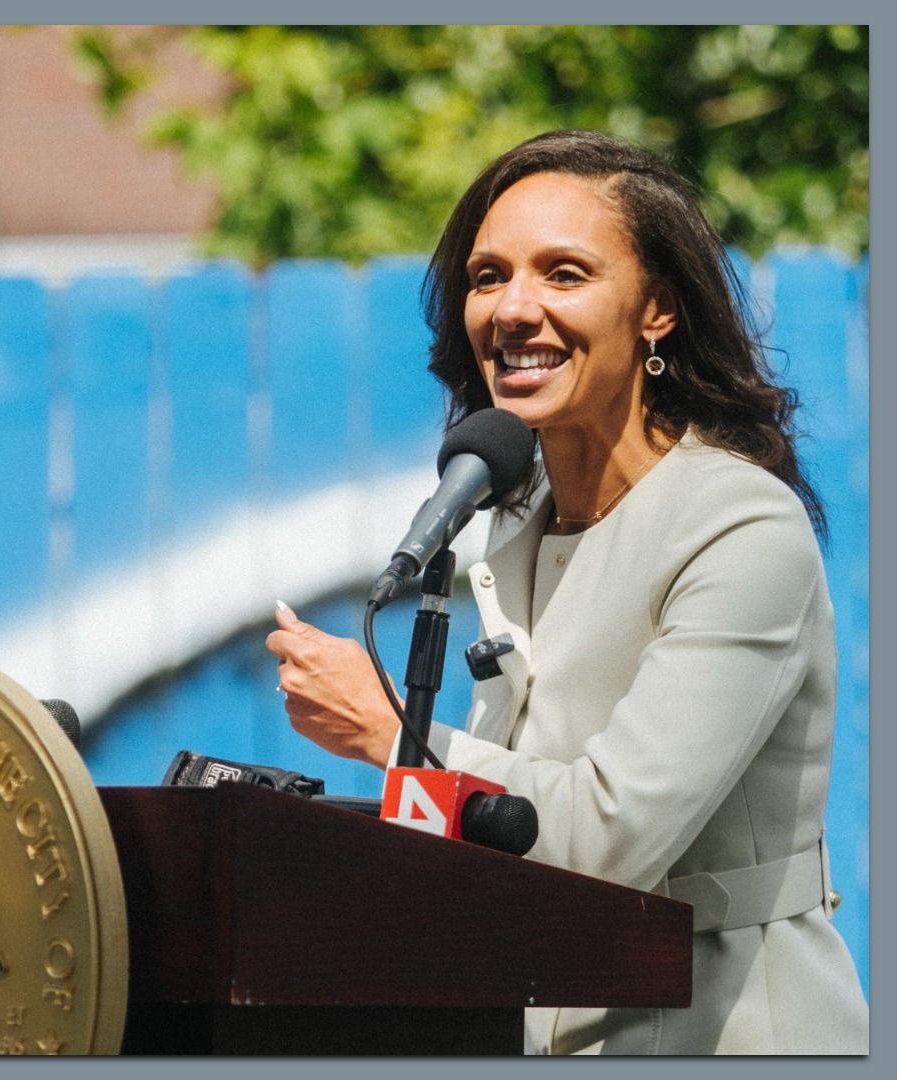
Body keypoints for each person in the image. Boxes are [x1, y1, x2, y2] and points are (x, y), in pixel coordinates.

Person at [264, 130, 866, 1054]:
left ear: (657, 309)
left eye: (565, 274)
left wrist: (394, 737)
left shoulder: (741, 526)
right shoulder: (518, 517)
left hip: (730, 1031)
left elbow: (609, 838)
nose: (514, 309)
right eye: (488, 275)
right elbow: (503, 826)